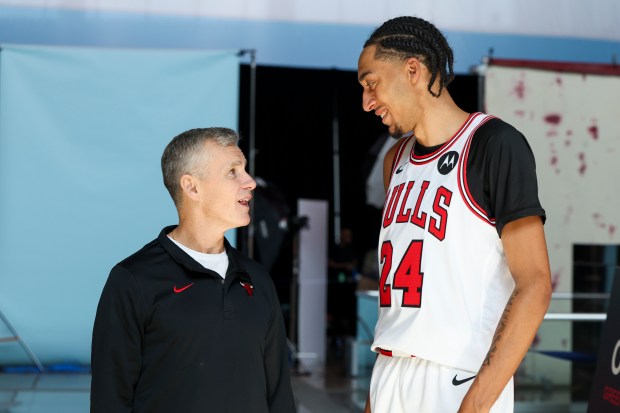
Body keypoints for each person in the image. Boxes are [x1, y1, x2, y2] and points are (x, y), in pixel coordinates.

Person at [357, 17, 552, 413]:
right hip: (390, 371)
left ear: (413, 70)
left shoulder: (494, 144)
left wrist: (476, 404)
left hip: (459, 379)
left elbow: (535, 284)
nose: (367, 101)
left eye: (371, 82)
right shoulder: (394, 160)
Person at [91, 128, 296, 413]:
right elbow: (110, 400)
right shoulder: (133, 280)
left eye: (245, 170)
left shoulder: (258, 279)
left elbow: (280, 397)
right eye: (232, 172)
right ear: (192, 187)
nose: (249, 182)